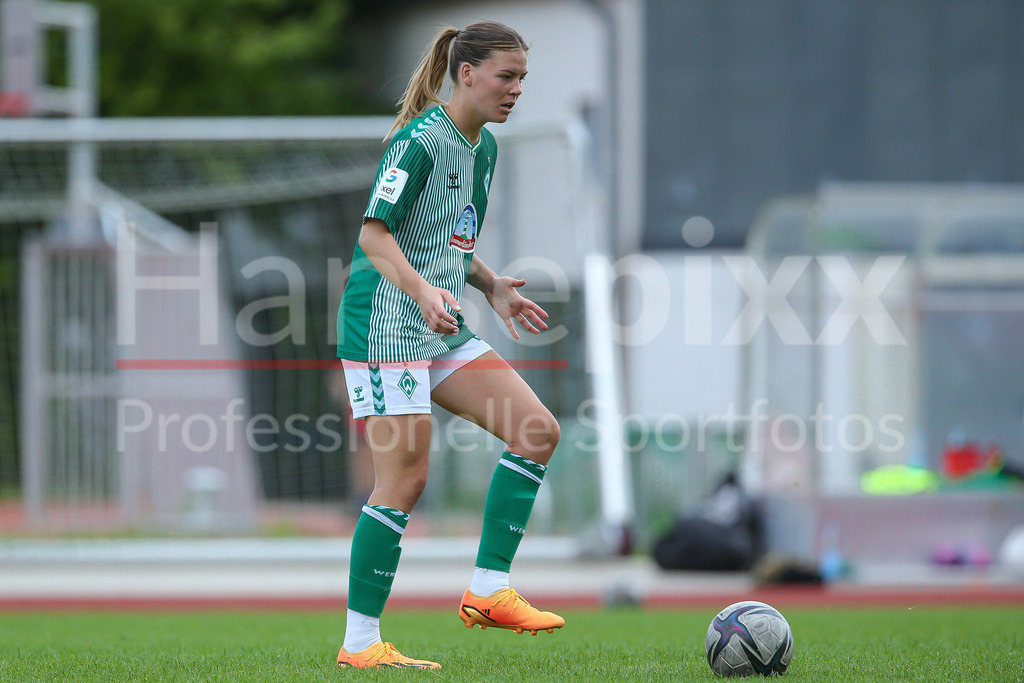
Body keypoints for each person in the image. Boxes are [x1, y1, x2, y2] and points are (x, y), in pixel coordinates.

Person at [334, 21, 563, 670]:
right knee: (403, 480)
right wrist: (424, 291)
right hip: (385, 323)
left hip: (439, 324)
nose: (516, 90)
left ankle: (488, 590)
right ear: (466, 74)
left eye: (522, 78)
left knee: (536, 429)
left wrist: (491, 286)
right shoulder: (421, 141)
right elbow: (376, 237)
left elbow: (448, 237)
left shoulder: (482, 148)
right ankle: (360, 645)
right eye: (506, 76)